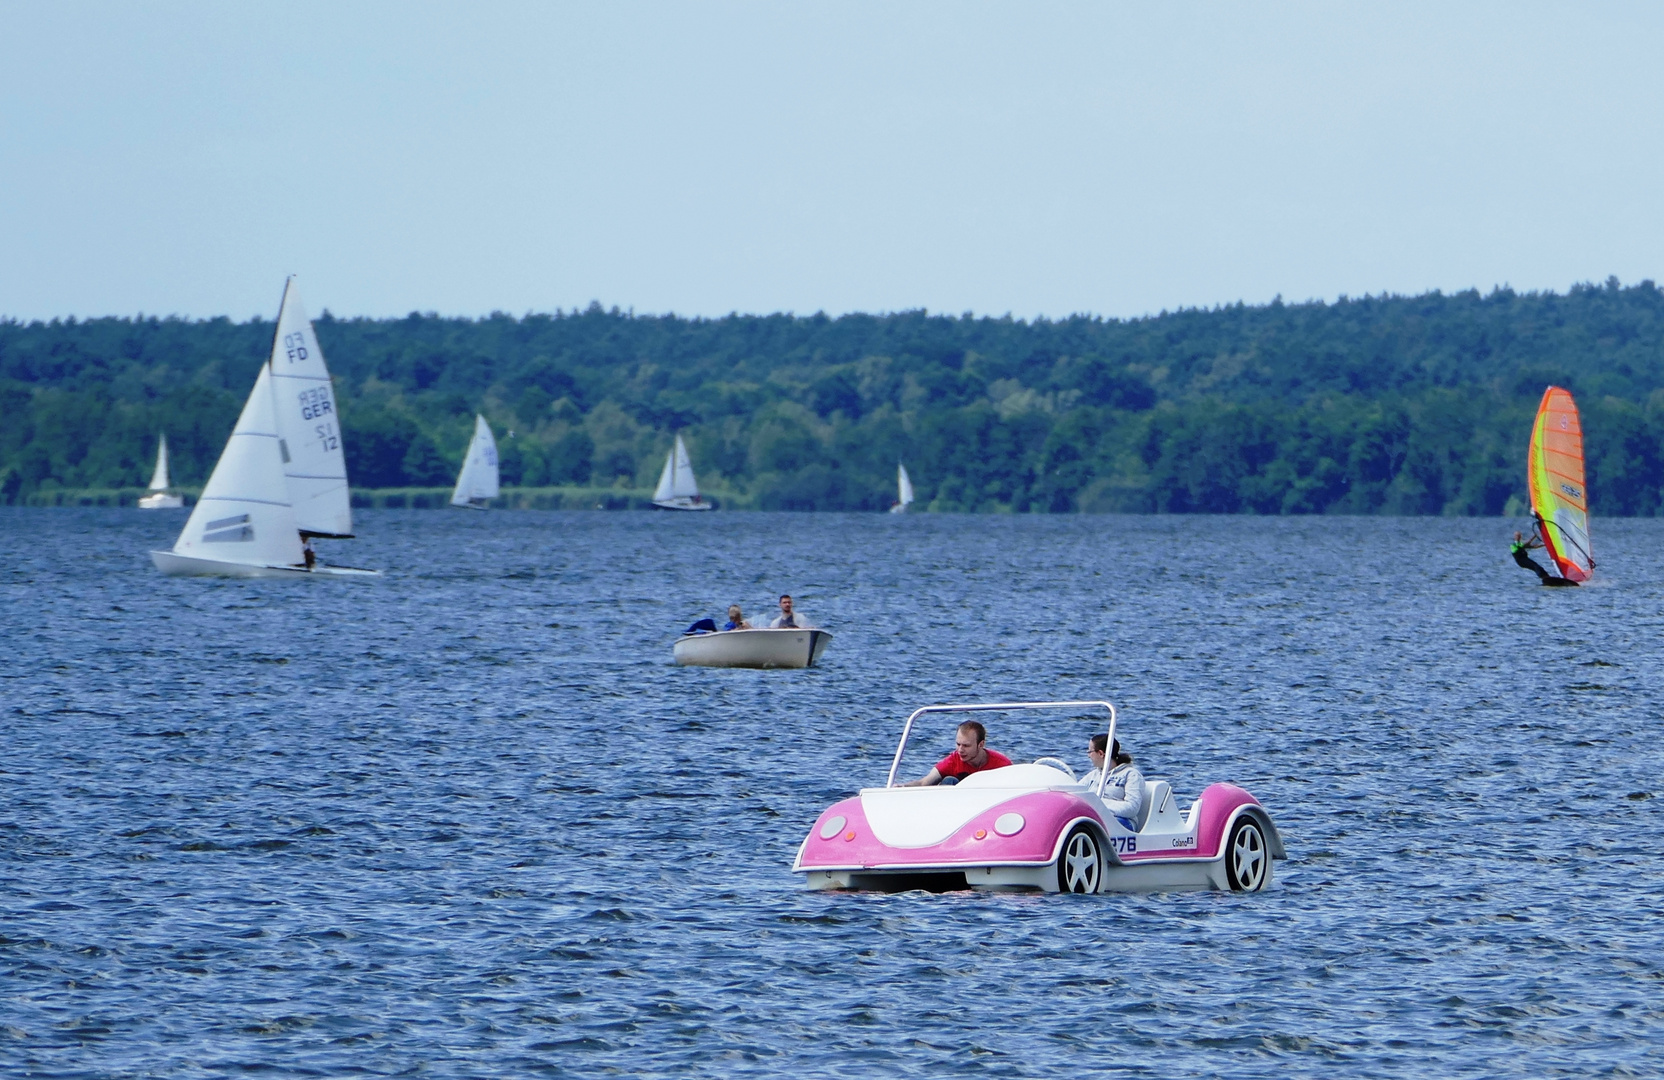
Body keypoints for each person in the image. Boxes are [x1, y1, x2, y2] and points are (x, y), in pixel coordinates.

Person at [902, 720, 1013, 786]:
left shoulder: (1002, 765)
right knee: (949, 781)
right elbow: (924, 782)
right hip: (958, 808)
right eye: (958, 744)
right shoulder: (954, 760)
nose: (960, 750)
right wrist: (902, 787)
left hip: (988, 808)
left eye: (966, 745)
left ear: (981, 744)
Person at [1087, 736, 1145, 827]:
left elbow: (1132, 807)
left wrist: (1100, 805)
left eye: (1090, 751)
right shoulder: (1093, 775)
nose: (1088, 755)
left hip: (1123, 822)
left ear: (1101, 753)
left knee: (1095, 825)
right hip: (1096, 818)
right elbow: (1077, 793)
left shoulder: (1131, 774)